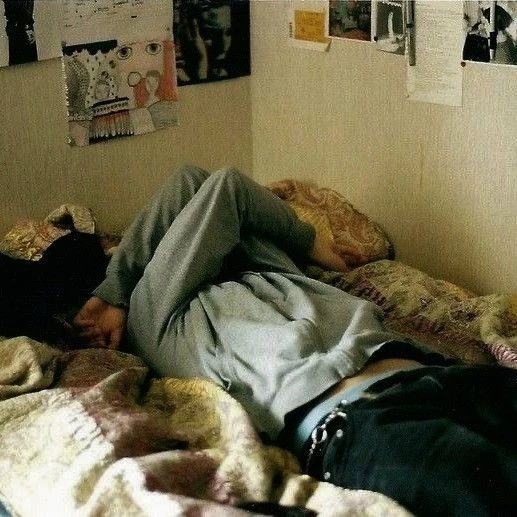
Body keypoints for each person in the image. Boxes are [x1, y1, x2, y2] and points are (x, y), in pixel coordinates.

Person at [74, 165, 517, 516]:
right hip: (360, 419)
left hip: (439, 374)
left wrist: (306, 249)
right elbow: (226, 188)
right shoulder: (156, 318)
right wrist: (113, 293)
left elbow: (191, 181)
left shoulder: (264, 264)